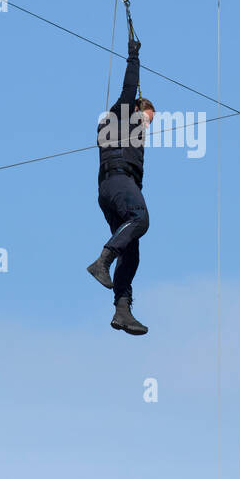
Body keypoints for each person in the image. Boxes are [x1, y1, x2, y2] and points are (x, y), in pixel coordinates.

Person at [87, 36, 154, 335]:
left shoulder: (133, 135)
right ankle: (103, 260)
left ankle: (122, 310)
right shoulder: (122, 112)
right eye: (146, 118)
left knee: (134, 252)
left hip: (113, 188)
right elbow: (129, 87)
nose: (147, 126)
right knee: (140, 218)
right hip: (115, 181)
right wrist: (134, 56)